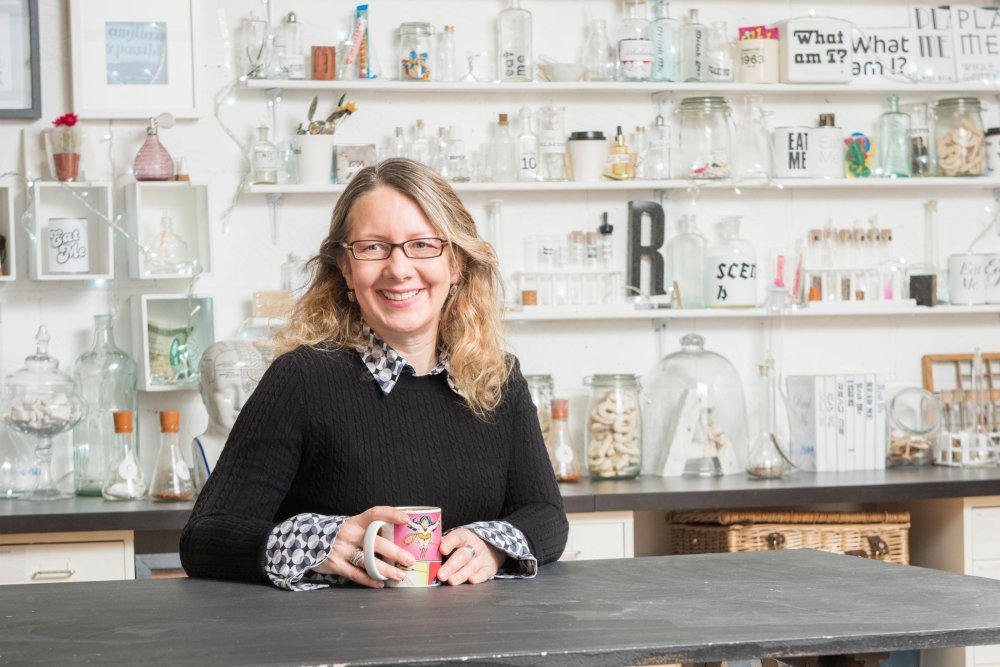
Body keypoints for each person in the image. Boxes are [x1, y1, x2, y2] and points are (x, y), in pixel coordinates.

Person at [180, 158, 568, 590]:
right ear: (345, 267)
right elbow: (205, 537)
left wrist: (491, 545)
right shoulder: (300, 380)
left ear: (455, 264)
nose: (399, 269)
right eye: (372, 247)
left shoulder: (498, 378)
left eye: (422, 245)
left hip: (473, 644)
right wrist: (320, 541)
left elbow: (545, 515)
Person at [191, 340, 267, 492]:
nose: (241, 403)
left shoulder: (272, 450)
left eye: (251, 389)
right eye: (226, 391)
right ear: (202, 392)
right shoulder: (203, 447)